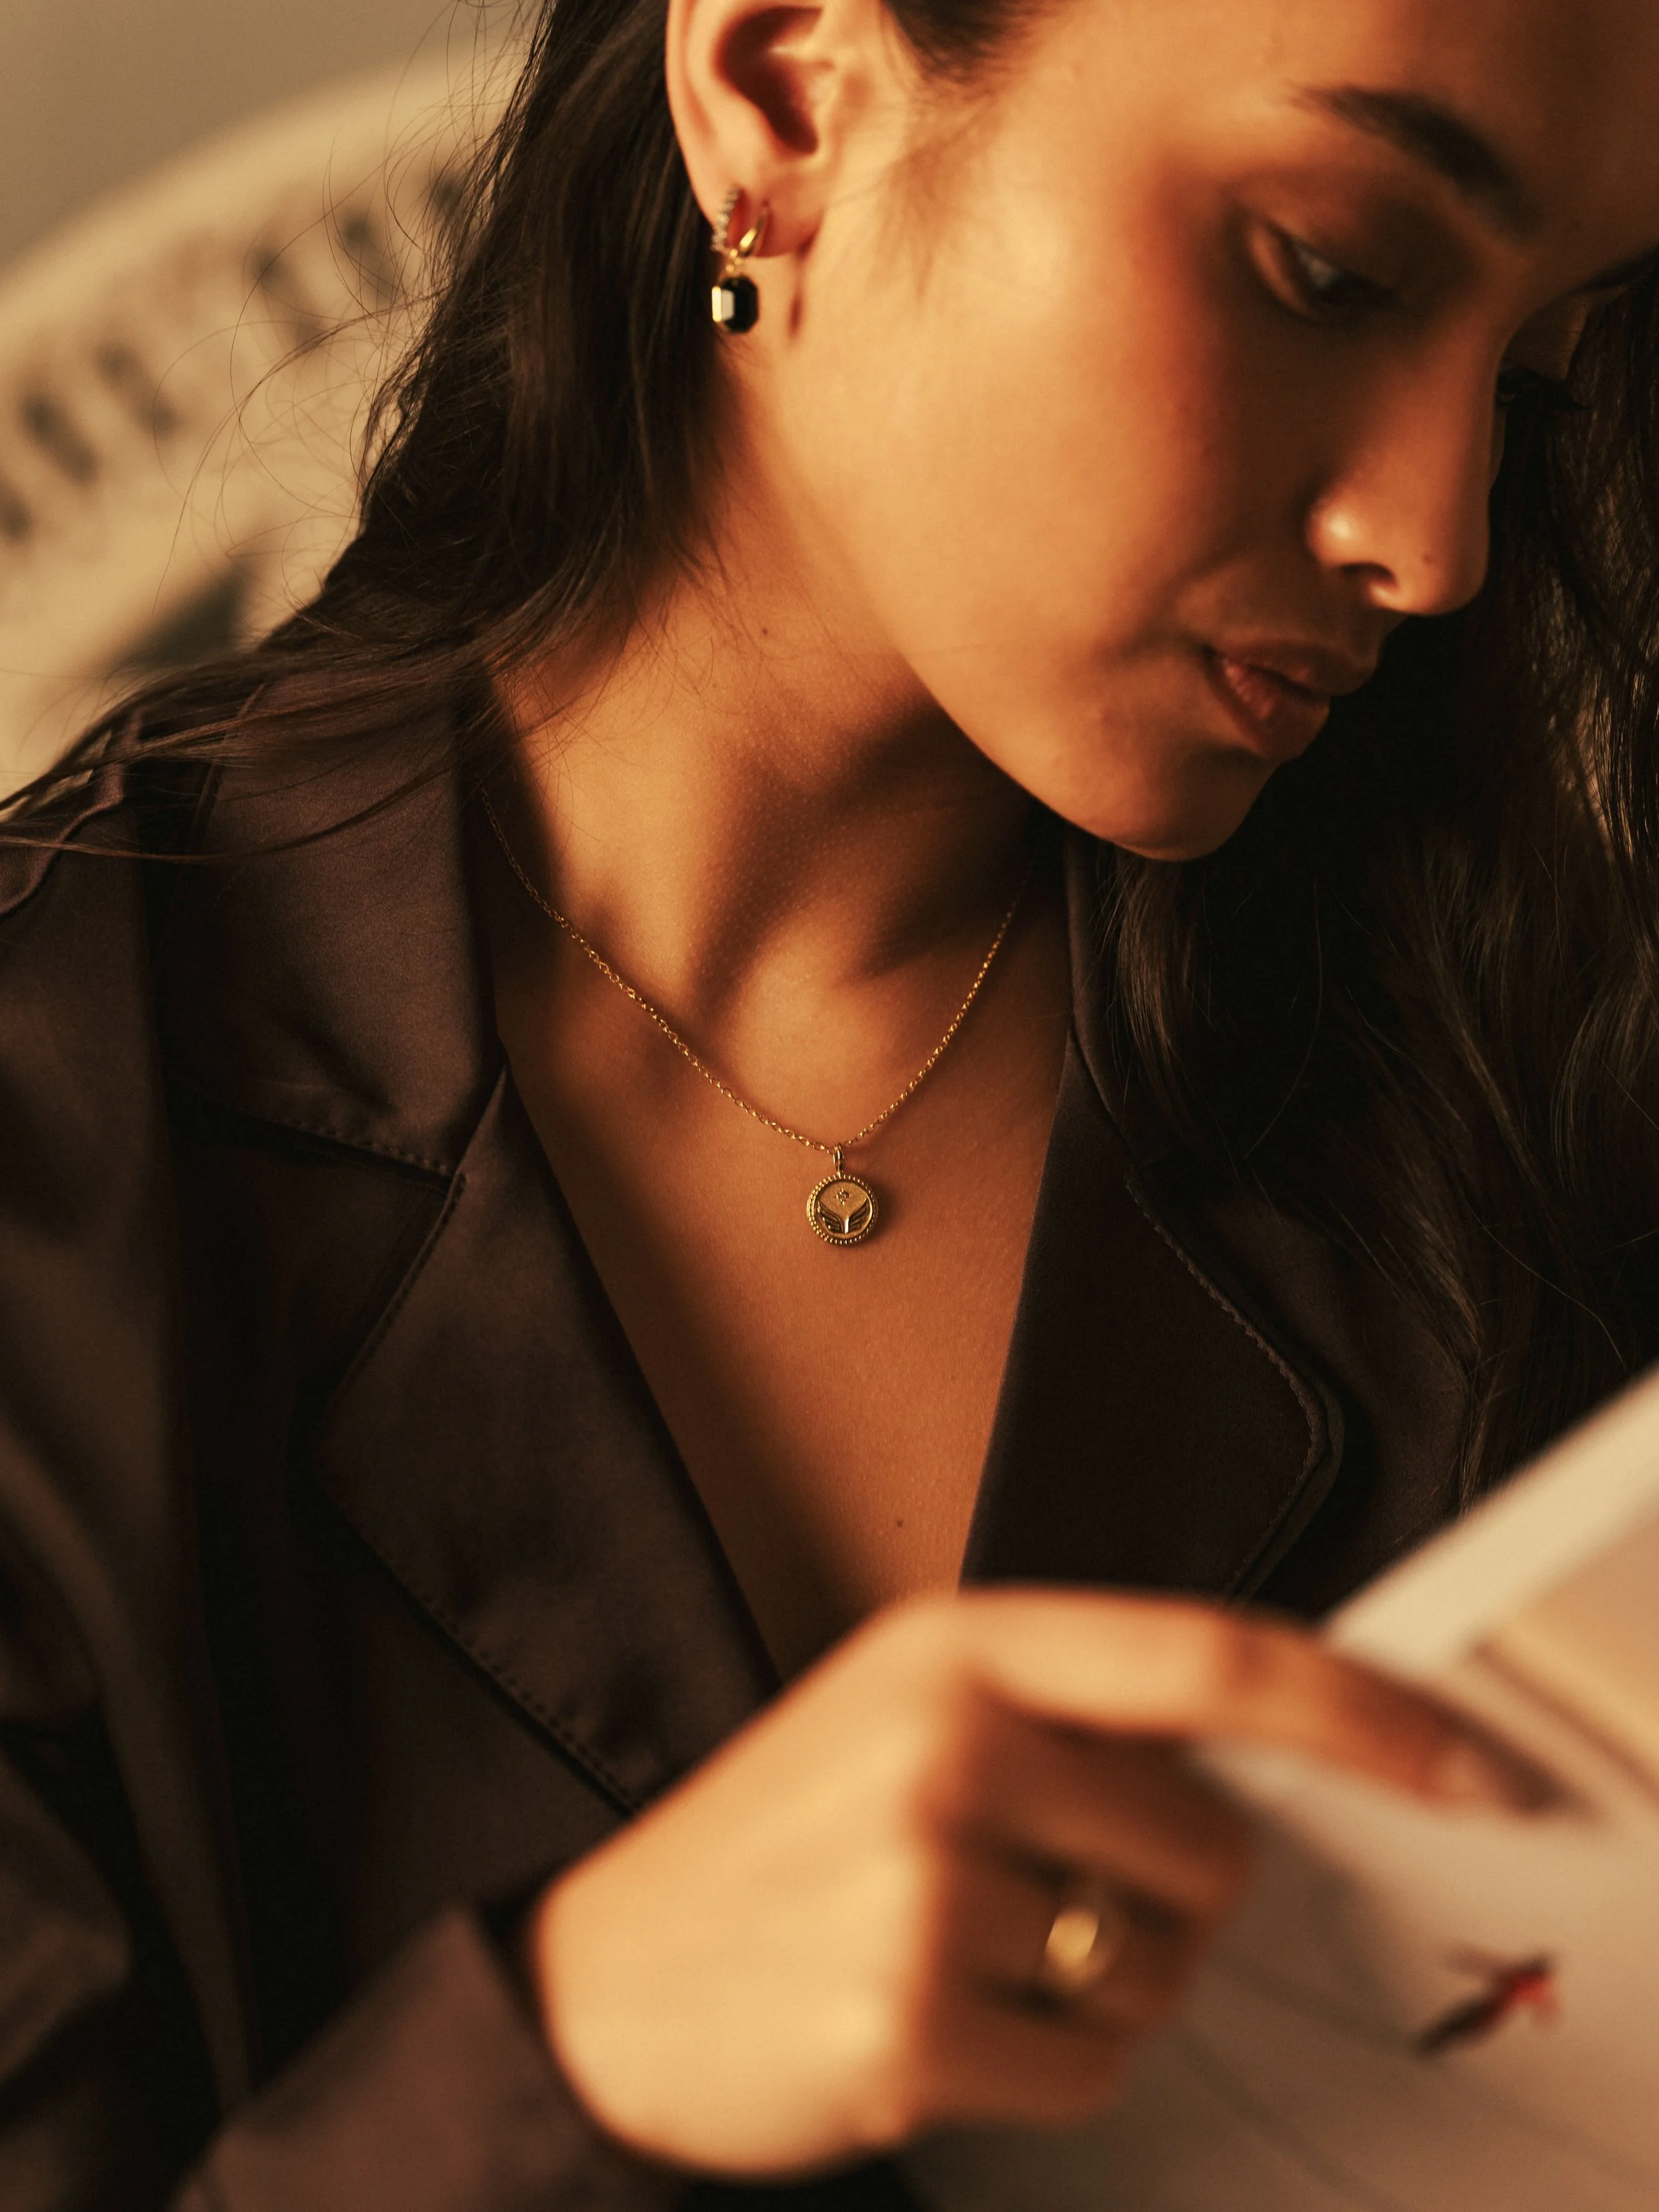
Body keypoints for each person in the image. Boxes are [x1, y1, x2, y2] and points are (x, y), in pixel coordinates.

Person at [3, 0, 1658, 2202]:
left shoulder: (1517, 1119)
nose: (1429, 536)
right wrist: (576, 2061)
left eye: (1532, 375)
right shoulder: (62, 1126)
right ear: (781, 86)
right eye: (1328, 271)